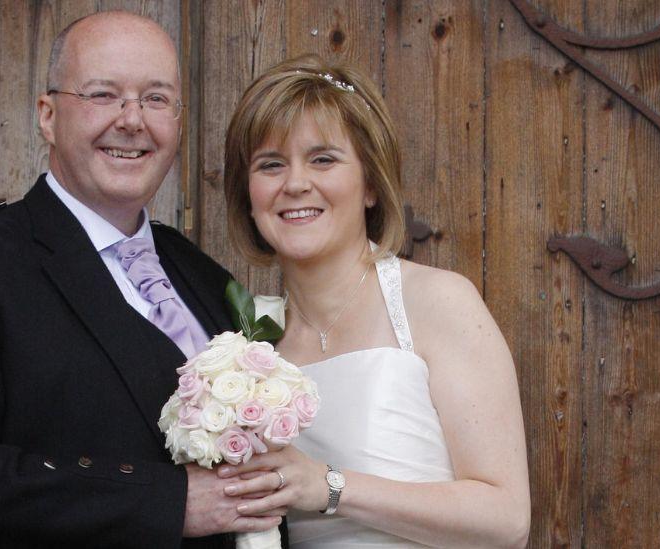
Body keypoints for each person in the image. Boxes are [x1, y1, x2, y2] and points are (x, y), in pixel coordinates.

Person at [0, 11, 285, 548]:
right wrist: (165, 501)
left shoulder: (203, 275)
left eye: (157, 98)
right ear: (48, 116)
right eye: (102, 95)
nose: (132, 120)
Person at [217, 54, 531, 548]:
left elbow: (507, 519)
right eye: (271, 164)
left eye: (323, 158)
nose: (295, 183)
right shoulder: (249, 351)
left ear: (369, 184)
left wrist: (329, 486)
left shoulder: (436, 302)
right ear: (249, 194)